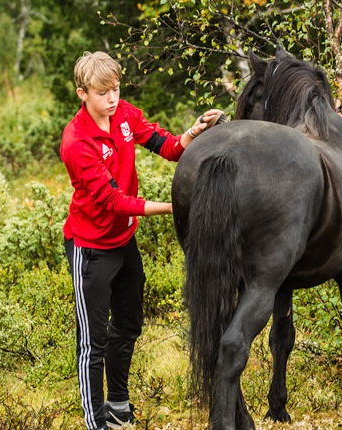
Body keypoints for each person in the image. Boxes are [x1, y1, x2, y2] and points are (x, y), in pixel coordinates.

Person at [60, 51, 223, 430]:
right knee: (92, 341)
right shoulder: (76, 141)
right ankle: (95, 421)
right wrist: (176, 207)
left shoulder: (125, 115)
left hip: (124, 242)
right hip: (91, 249)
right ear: (82, 93)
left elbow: (167, 146)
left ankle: (117, 404)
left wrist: (194, 130)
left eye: (116, 89)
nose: (112, 98)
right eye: (103, 92)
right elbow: (114, 201)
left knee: (130, 323)